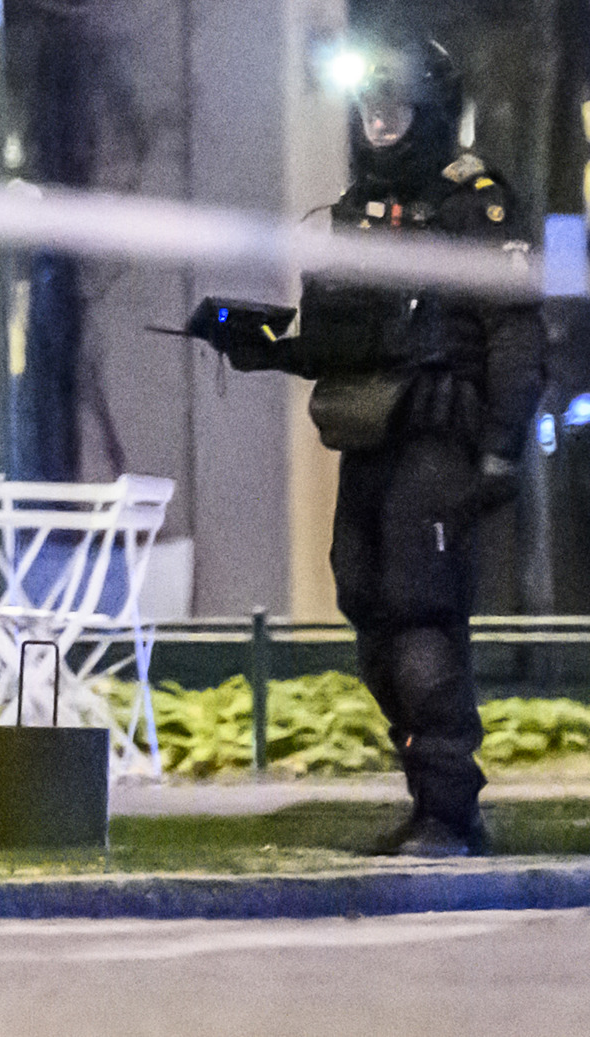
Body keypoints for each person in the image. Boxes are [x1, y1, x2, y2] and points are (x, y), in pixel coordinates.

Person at [194, 38, 546, 856]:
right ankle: (431, 802)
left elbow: (517, 334)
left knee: (423, 613)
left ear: (428, 113)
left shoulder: (476, 206)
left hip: (440, 439)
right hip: (371, 440)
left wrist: (500, 448)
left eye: (394, 110)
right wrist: (266, 345)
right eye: (369, 111)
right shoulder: (357, 211)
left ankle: (451, 815)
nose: (379, 124)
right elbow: (347, 342)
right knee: (367, 601)